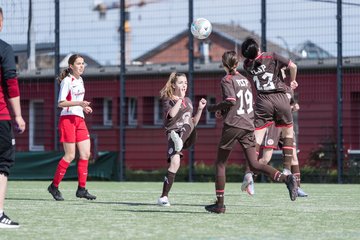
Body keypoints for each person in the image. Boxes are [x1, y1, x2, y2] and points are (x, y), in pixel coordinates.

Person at [204, 51, 298, 214]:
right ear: (237, 63)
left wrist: (213, 108)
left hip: (233, 125)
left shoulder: (227, 79)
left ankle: (219, 205)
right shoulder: (245, 80)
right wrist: (225, 110)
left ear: (224, 65)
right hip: (248, 125)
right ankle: (286, 178)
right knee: (255, 164)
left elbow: (231, 101)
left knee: (220, 163)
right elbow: (238, 103)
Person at [240, 37, 299, 194]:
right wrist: (293, 80)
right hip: (280, 98)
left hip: (262, 101)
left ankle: (248, 174)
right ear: (258, 48)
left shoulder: (247, 65)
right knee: (287, 132)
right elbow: (293, 66)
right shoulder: (271, 56)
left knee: (256, 139)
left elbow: (258, 65)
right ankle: (286, 170)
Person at [47, 54, 96, 201]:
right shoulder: (67, 81)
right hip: (67, 120)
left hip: (79, 120)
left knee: (86, 154)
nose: (81, 66)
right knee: (69, 156)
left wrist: (83, 108)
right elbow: (61, 103)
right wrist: (79, 104)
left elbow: (77, 102)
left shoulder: (81, 80)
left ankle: (81, 189)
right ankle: (54, 187)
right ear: (71, 66)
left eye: (83, 63)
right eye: (78, 63)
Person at [157, 72, 207, 207]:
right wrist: (180, 99)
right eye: (181, 83)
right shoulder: (168, 99)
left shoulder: (189, 101)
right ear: (173, 85)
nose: (184, 85)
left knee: (187, 119)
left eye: (185, 83)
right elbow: (171, 115)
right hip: (173, 133)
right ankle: (163, 197)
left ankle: (180, 140)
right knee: (175, 164)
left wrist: (200, 109)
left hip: (186, 135)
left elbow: (193, 122)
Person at [0, 7, 26, 228]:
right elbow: (11, 83)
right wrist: (18, 115)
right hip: (0, 117)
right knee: (2, 164)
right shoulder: (4, 49)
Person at [259, 87, 308, 197]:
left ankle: (297, 187)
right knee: (266, 159)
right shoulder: (270, 87)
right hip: (274, 125)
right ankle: (249, 175)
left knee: (294, 157)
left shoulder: (288, 89)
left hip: (286, 125)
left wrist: (293, 106)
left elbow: (292, 105)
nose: (283, 72)